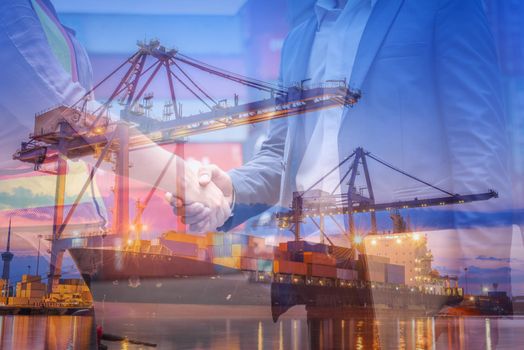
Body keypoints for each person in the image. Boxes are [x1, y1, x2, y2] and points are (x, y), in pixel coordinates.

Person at [177, 0, 513, 291]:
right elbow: (281, 156)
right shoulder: (299, 37)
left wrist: (486, 280)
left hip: (408, 264)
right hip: (313, 261)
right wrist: (231, 188)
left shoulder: (444, 5)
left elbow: (478, 145)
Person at [0, 0, 231, 231]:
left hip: (64, 231)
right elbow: (63, 115)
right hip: (18, 231)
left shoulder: (41, 9)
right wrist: (184, 179)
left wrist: (185, 181)